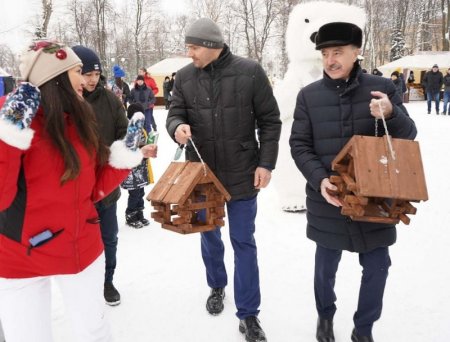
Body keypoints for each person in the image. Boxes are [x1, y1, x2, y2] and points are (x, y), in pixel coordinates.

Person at [0, 40, 149, 341]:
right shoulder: (10, 118)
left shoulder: (81, 118)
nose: (85, 80)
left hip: (79, 246)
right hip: (20, 255)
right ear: (54, 76)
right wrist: (8, 136)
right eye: (77, 71)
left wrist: (125, 159)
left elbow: (91, 190)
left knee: (93, 330)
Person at [289, 22, 417, 342]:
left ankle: (363, 329)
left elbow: (408, 135)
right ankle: (325, 317)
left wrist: (390, 113)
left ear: (356, 51)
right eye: (326, 53)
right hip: (328, 199)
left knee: (377, 267)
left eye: (338, 52)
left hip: (375, 198)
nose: (330, 60)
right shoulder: (308, 96)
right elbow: (299, 144)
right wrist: (320, 180)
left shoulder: (382, 88)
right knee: (325, 267)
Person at [166, 18, 281, 342]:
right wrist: (176, 127)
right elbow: (175, 113)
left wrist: (266, 164)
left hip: (243, 174)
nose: (189, 53)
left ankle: (249, 314)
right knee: (210, 236)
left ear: (213, 45)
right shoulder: (186, 77)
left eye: (194, 47)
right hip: (203, 176)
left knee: (244, 242)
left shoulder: (250, 72)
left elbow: (270, 121)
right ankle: (216, 285)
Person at [72, 45, 127, 306]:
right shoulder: (69, 101)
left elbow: (124, 132)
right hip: (75, 189)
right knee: (77, 240)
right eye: (85, 73)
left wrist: (124, 151)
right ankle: (82, 285)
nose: (92, 79)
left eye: (96, 73)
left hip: (105, 186)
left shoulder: (110, 99)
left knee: (109, 237)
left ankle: (107, 281)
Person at [121, 102, 157, 228]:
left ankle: (139, 213)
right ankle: (131, 215)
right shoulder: (129, 129)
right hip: (132, 169)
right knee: (134, 194)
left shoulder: (141, 128)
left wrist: (150, 144)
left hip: (141, 167)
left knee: (140, 192)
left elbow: (142, 144)